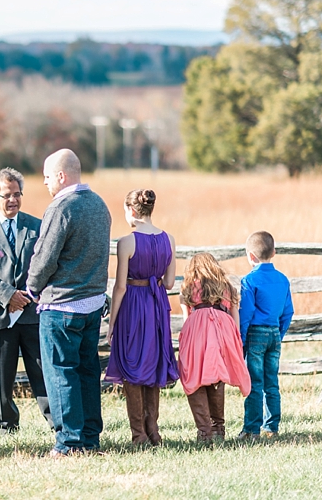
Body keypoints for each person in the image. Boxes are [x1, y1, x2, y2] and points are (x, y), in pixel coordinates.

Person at [26, 149, 112, 457]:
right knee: (88, 372)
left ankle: (69, 443)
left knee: (61, 372)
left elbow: (45, 255)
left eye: (48, 177)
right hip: (92, 303)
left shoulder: (62, 207)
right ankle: (90, 438)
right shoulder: (99, 205)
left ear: (62, 176)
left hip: (61, 305)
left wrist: (32, 287)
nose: (46, 183)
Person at [0, 167, 53, 434]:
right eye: (7, 195)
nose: (13, 200)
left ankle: (58, 424)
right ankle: (5, 427)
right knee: (0, 379)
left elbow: (46, 264)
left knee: (43, 374)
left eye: (17, 194)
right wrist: (8, 296)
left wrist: (26, 295)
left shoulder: (37, 226)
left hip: (31, 312)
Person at [104, 189, 178, 446]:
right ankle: (153, 431)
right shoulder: (169, 239)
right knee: (153, 363)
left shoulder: (126, 242)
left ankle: (138, 435)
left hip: (133, 306)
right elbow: (169, 283)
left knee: (131, 363)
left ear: (132, 211)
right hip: (157, 306)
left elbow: (120, 286)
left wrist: (112, 323)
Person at [178, 253, 251, 443]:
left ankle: (204, 432)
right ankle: (218, 428)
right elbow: (235, 320)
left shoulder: (187, 287)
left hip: (197, 331)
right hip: (223, 331)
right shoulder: (227, 288)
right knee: (217, 376)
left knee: (194, 376)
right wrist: (235, 342)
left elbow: (186, 319)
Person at [238, 231, 294, 440]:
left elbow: (246, 314)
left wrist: (242, 340)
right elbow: (288, 312)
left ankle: (251, 429)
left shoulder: (249, 281)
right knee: (272, 381)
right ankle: (272, 426)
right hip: (274, 334)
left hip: (255, 334)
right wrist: (279, 333)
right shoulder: (283, 280)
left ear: (250, 256)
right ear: (274, 252)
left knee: (254, 382)